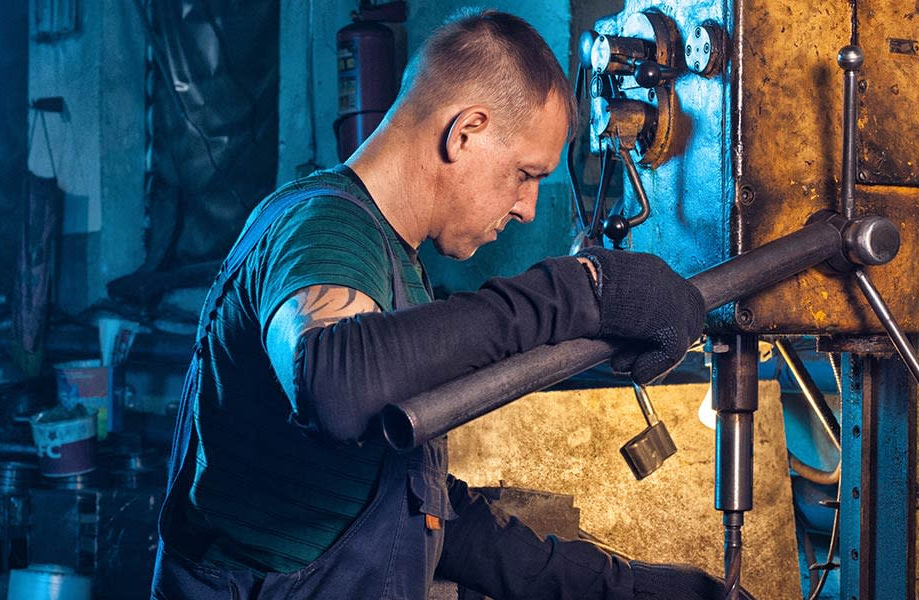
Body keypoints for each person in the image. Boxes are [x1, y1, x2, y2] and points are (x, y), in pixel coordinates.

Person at [151, 9, 727, 600]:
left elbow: (404, 502)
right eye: (526, 173)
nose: (529, 206)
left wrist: (621, 588)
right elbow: (336, 385)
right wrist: (579, 291)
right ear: (466, 131)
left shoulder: (394, 263)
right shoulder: (322, 226)